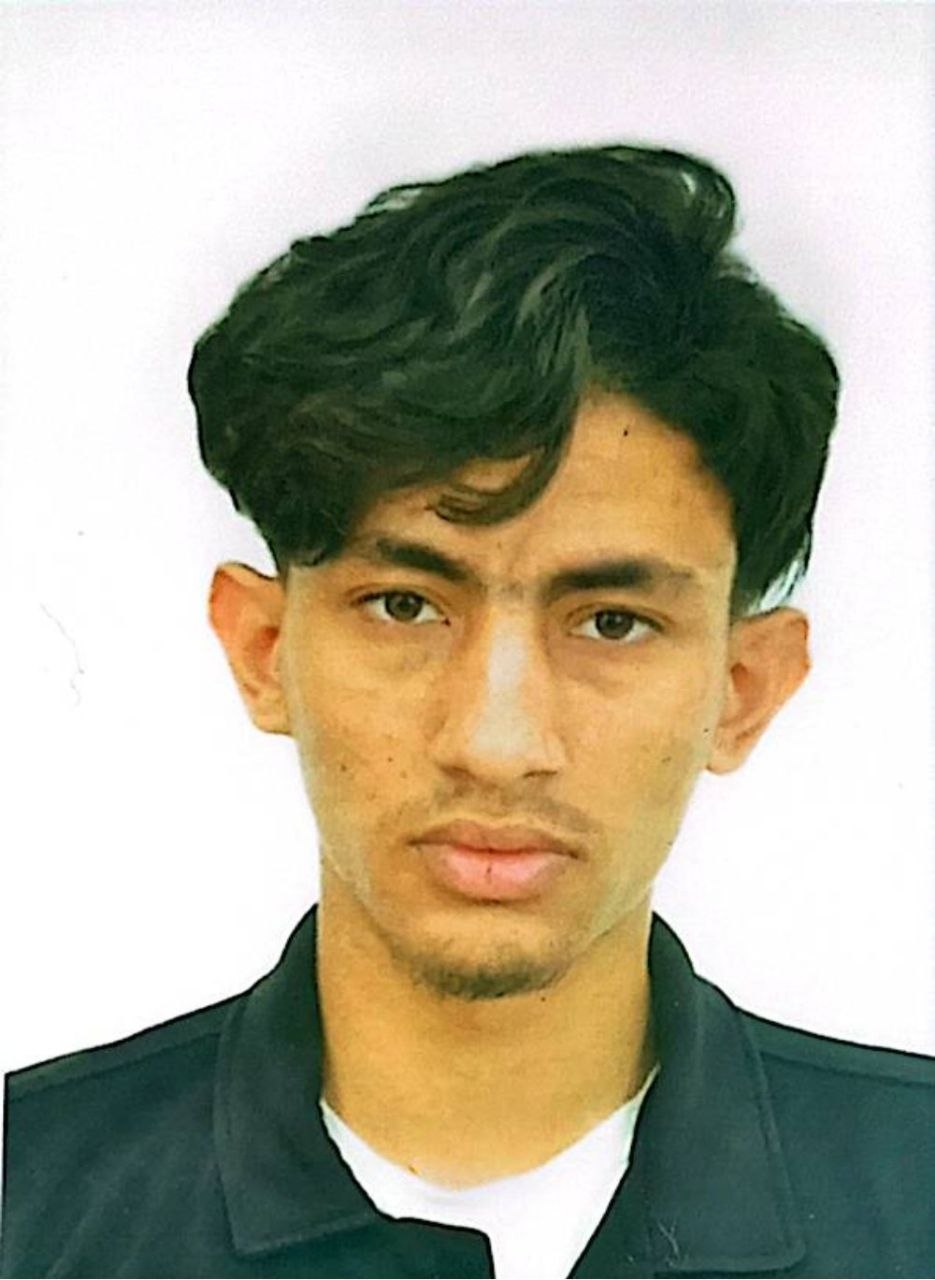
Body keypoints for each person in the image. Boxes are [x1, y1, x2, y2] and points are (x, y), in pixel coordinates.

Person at [2, 143, 932, 1280]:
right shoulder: (26, 1203)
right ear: (263, 651)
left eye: (610, 622)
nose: (496, 744)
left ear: (742, 691)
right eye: (404, 604)